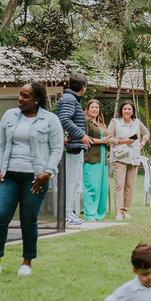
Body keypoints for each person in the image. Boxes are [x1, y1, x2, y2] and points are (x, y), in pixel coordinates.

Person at [0, 82, 63, 276]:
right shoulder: (9, 116)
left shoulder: (50, 120)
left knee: (28, 220)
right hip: (9, 176)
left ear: (36, 100)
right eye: (20, 94)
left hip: (35, 179)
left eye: (25, 96)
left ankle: (26, 263)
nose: (20, 98)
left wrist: (48, 173)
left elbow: (57, 148)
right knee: (0, 217)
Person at [56, 73, 93, 226]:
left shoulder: (69, 99)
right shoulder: (70, 99)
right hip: (71, 147)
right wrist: (82, 135)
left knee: (74, 181)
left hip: (74, 146)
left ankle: (68, 212)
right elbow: (63, 119)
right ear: (83, 87)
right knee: (71, 181)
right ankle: (65, 213)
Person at [107, 100, 150, 221]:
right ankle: (118, 212)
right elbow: (108, 138)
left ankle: (125, 210)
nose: (127, 111)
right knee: (119, 185)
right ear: (121, 110)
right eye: (125, 109)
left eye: (129, 109)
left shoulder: (136, 122)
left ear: (133, 111)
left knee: (130, 185)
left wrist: (141, 144)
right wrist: (123, 141)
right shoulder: (115, 122)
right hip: (120, 157)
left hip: (134, 157)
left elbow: (146, 133)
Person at [82, 99, 109, 221]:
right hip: (91, 158)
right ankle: (90, 214)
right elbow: (85, 137)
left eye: (97, 108)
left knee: (102, 188)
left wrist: (108, 141)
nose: (94, 109)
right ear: (88, 109)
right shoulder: (85, 121)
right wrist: (101, 141)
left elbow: (107, 140)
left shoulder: (102, 124)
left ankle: (99, 213)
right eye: (92, 107)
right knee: (91, 187)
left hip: (103, 159)